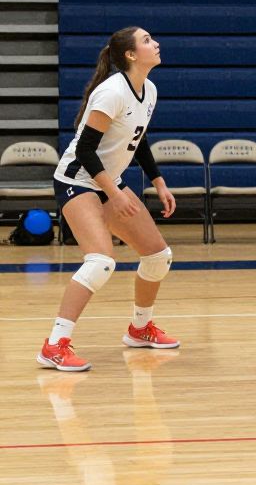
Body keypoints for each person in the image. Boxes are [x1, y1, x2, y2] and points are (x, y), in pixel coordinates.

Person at [40, 27, 179, 372]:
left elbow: (138, 140)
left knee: (159, 257)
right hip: (77, 180)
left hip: (108, 182)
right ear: (130, 55)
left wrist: (159, 181)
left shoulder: (149, 90)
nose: (155, 43)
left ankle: (140, 328)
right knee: (100, 261)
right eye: (147, 40)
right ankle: (54, 345)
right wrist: (114, 194)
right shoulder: (111, 92)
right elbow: (85, 150)